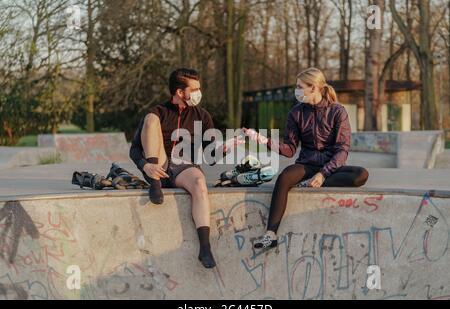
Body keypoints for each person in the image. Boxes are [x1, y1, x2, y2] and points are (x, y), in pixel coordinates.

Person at [244, 67, 369, 250]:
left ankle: (314, 181)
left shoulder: (337, 111)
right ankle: (270, 234)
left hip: (331, 167)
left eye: (299, 86)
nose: (297, 90)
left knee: (361, 175)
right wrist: (261, 139)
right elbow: (289, 149)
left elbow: (342, 149)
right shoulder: (296, 113)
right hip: (307, 164)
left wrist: (323, 174)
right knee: (285, 177)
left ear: (313, 87)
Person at [129, 68, 241, 268]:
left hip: (184, 167)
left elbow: (210, 156)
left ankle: (204, 247)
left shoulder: (202, 115)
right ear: (180, 92)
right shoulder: (158, 112)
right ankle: (155, 183)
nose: (199, 93)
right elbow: (135, 149)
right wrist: (145, 166)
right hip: (159, 165)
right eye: (195, 89)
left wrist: (225, 148)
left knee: (199, 183)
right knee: (151, 119)